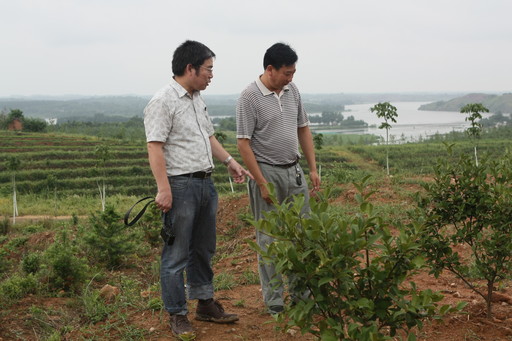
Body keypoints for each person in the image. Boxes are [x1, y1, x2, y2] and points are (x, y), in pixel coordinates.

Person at [143, 40, 251, 338]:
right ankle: (177, 314)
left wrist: (230, 161)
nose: (211, 76)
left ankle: (205, 303)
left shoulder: (196, 99)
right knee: (176, 254)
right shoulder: (163, 101)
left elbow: (209, 136)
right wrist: (164, 189)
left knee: (203, 249)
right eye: (208, 69)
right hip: (180, 186)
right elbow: (155, 148)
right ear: (190, 68)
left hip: (205, 183)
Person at [236, 42, 321, 315]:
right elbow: (243, 144)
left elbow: (303, 129)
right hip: (267, 172)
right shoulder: (249, 97)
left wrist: (312, 168)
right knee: (269, 240)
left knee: (302, 235)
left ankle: (302, 296)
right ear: (270, 69)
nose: (291, 77)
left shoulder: (292, 91)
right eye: (286, 72)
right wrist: (261, 182)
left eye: (293, 72)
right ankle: (275, 304)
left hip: (293, 171)